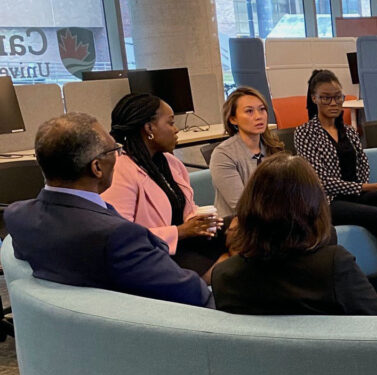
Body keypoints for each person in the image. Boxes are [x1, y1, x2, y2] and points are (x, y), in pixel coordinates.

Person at [4, 113, 212, 307]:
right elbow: (193, 294)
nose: (119, 156)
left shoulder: (18, 215)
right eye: (115, 150)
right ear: (96, 168)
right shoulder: (118, 236)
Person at [212, 154, 377, 316]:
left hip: (267, 370)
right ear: (313, 206)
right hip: (343, 365)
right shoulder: (334, 265)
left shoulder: (223, 275)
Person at [294, 69, 377, 289]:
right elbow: (320, 180)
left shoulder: (349, 131)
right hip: (326, 202)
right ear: (314, 98)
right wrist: (367, 186)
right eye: (326, 97)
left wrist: (371, 187)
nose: (334, 102)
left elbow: (363, 165)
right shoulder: (305, 133)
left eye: (338, 97)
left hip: (353, 194)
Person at [103, 93, 226, 279]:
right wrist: (180, 232)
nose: (176, 130)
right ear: (149, 128)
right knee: (235, 263)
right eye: (170, 123)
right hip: (156, 255)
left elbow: (187, 208)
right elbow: (121, 239)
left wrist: (201, 222)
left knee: (241, 229)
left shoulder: (170, 162)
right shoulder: (121, 171)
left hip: (186, 243)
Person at [210, 86, 285, 217]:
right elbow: (241, 206)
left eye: (262, 110)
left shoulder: (273, 147)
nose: (258, 116)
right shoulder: (223, 154)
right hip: (238, 224)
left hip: (273, 218)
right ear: (233, 119)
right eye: (249, 111)